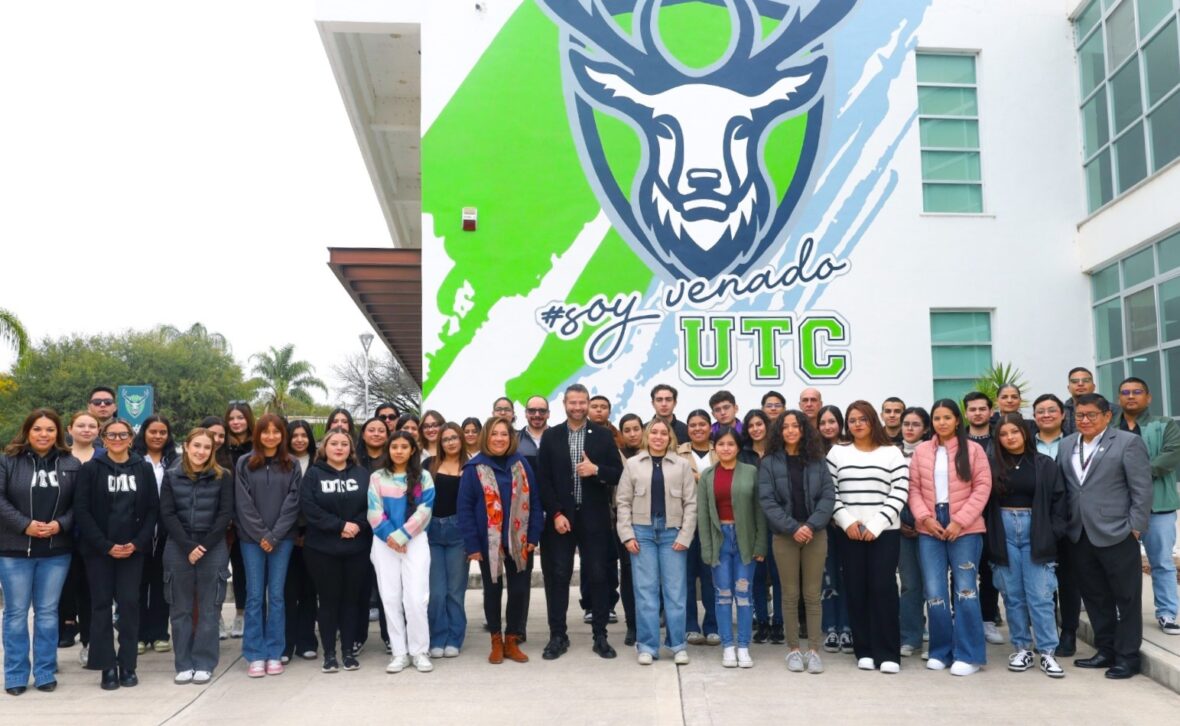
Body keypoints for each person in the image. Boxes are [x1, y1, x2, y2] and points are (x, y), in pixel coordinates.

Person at [1058, 393, 1151, 679]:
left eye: (1091, 415)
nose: (1084, 420)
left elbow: (1142, 489)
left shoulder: (1127, 442)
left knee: (1126, 598)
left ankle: (1127, 657)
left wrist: (1135, 527)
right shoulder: (1066, 445)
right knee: (1096, 598)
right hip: (1080, 534)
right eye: (1079, 416)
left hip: (1117, 533)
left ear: (1107, 416)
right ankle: (1106, 650)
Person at [536, 383, 624, 660]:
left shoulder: (602, 436)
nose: (577, 407)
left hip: (594, 518)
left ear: (587, 404)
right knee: (558, 576)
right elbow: (543, 479)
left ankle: (600, 634)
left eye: (582, 402)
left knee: (598, 575)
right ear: (564, 404)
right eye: (572, 402)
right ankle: (557, 636)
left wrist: (595, 469)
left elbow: (618, 474)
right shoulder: (551, 436)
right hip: (561, 519)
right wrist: (556, 513)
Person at [907, 399, 992, 677]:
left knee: (966, 590)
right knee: (934, 591)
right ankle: (940, 651)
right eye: (937, 418)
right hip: (930, 526)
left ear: (958, 420)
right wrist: (925, 518)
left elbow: (982, 488)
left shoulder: (974, 450)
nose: (941, 422)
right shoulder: (921, 451)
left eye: (947, 417)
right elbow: (914, 489)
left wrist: (960, 521)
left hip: (964, 527)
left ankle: (969, 655)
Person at [74, 418, 159, 690]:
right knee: (100, 607)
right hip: (99, 551)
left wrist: (137, 543)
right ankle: (106, 667)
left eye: (123, 434)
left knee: (129, 605)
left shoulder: (143, 469)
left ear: (131, 438)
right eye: (112, 434)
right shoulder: (90, 469)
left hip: (133, 551)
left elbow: (152, 511)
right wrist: (105, 545)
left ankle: (128, 665)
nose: (118, 439)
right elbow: (82, 512)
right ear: (104, 438)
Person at [0, 409, 80, 695]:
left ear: (58, 433)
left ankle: (45, 671)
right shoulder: (8, 461)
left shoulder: (70, 464)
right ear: (27, 431)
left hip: (56, 552)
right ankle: (15, 675)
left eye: (49, 429)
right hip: (15, 551)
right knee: (16, 614)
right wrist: (25, 526)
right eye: (38, 429)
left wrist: (60, 524)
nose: (44, 434)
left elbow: (79, 505)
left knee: (47, 614)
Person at [827, 401, 908, 674]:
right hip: (849, 531)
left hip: (885, 532)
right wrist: (848, 522)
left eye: (863, 418)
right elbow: (830, 492)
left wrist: (876, 524)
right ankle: (864, 650)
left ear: (873, 420)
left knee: (883, 589)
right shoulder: (837, 453)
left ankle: (888, 653)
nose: (857, 424)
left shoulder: (892, 453)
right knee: (856, 588)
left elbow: (900, 491)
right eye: (852, 420)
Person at [987, 413, 1068, 678]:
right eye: (1003, 433)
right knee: (1013, 596)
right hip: (1003, 529)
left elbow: (1059, 500)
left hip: (1037, 529)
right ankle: (1022, 648)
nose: (1009, 437)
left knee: (1041, 595)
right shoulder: (991, 464)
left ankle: (1047, 652)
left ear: (1025, 433)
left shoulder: (1044, 464)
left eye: (1014, 432)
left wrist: (1054, 531)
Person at [458, 418, 541, 664]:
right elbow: (464, 510)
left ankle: (512, 639)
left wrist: (534, 536)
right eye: (494, 434)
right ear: (486, 437)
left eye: (504, 434)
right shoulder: (474, 468)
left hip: (519, 542)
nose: (499, 439)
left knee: (518, 591)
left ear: (510, 437)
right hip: (488, 544)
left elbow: (535, 502)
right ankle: (495, 640)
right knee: (492, 592)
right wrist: (473, 546)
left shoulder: (521, 463)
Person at [759, 410, 835, 674]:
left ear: (804, 430)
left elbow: (828, 497)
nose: (790, 430)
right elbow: (767, 501)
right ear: (779, 431)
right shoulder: (768, 462)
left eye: (796, 426)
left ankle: (814, 650)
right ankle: (793, 649)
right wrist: (793, 527)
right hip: (785, 536)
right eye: (785, 426)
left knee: (813, 595)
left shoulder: (817, 459)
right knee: (790, 595)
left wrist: (811, 525)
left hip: (815, 534)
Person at [616, 419, 696, 666]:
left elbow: (691, 504)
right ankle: (648, 646)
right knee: (646, 593)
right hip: (643, 534)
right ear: (647, 436)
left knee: (675, 593)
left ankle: (677, 645)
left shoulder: (682, 465)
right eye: (654, 433)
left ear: (670, 437)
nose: (659, 437)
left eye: (664, 433)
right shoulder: (632, 464)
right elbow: (623, 502)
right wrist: (627, 535)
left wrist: (685, 535)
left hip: (672, 533)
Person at [158, 428, 234, 685]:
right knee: (180, 609)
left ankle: (204, 662)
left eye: (207, 447)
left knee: (210, 607)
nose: (201, 451)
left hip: (212, 545)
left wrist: (203, 545)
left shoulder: (223, 477)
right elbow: (167, 514)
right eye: (197, 446)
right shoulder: (171, 476)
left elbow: (225, 514)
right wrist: (188, 545)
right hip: (178, 546)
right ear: (186, 446)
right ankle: (184, 663)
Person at [234, 413, 302, 678]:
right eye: (265, 431)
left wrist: (274, 535)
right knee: (253, 597)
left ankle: (274, 651)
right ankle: (254, 654)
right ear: (257, 434)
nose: (271, 436)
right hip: (251, 540)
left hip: (282, 539)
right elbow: (243, 503)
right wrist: (262, 533)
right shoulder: (244, 463)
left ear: (282, 435)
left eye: (276, 431)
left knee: (276, 596)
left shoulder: (292, 464)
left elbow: (293, 502)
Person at [300, 428, 373, 674]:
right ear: (325, 448)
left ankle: (348, 653)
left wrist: (357, 526)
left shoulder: (362, 474)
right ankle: (329, 654)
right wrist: (339, 526)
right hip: (322, 549)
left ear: (350, 449)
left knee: (350, 601)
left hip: (357, 547)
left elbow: (373, 505)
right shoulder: (313, 475)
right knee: (329, 601)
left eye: (344, 444)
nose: (339, 448)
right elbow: (309, 508)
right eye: (334, 443)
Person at [1114, 378, 1180, 635]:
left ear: (1148, 397)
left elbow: (1171, 455)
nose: (1131, 396)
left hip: (1158, 506)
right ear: (1119, 398)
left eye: (1137, 392)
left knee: (1161, 561)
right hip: (1119, 507)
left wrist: (1132, 474)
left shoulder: (1165, 424)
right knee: (1120, 563)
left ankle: (1167, 613)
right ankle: (1122, 609)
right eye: (1125, 392)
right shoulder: (1111, 426)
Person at [368, 431, 435, 674]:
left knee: (416, 599)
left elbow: (425, 511)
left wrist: (403, 535)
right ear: (388, 450)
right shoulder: (377, 477)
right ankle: (399, 652)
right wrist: (391, 537)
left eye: (403, 447)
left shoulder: (423, 477)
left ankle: (419, 651)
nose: (398, 451)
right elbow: (374, 512)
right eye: (394, 446)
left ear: (412, 450)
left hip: (415, 542)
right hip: (384, 543)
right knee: (390, 598)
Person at [699, 426, 766, 668]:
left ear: (738, 447)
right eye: (721, 444)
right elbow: (704, 516)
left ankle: (744, 647)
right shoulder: (707, 475)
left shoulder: (750, 472)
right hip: (720, 540)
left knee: (744, 595)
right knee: (723, 595)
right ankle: (728, 646)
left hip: (745, 539)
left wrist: (760, 544)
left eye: (730, 444)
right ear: (714, 447)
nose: (725, 448)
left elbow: (760, 510)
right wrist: (707, 548)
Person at [131, 415, 177, 655]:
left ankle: (159, 633)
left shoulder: (176, 460)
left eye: (162, 432)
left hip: (168, 532)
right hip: (138, 531)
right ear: (144, 433)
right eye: (153, 431)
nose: (158, 436)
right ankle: (138, 634)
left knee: (162, 584)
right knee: (137, 585)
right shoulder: (133, 459)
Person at [962, 391, 1003, 644]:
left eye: (982, 408)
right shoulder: (957, 441)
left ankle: (988, 619)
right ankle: (964, 618)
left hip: (994, 514)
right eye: (972, 409)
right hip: (963, 515)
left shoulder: (1001, 438)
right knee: (963, 570)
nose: (977, 413)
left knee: (989, 570)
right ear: (965, 413)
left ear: (990, 411)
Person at [425, 423, 469, 659]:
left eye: (454, 438)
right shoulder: (429, 465)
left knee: (455, 591)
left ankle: (454, 637)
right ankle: (437, 636)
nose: (450, 442)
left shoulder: (471, 466)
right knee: (436, 592)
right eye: (445, 439)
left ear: (461, 440)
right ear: (440, 442)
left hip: (458, 532)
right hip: (431, 531)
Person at [678, 409, 719, 646]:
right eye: (692, 425)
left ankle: (712, 625)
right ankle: (690, 625)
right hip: (686, 523)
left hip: (714, 524)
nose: (697, 429)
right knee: (686, 577)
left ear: (709, 427)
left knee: (711, 577)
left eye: (702, 424)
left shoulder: (720, 449)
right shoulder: (677, 453)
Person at [59, 412, 99, 656]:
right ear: (70, 429)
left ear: (98, 430)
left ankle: (88, 642)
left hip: (94, 537)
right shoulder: (59, 458)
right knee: (63, 590)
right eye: (81, 425)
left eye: (92, 426)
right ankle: (62, 632)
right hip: (62, 534)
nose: (86, 429)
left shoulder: (104, 457)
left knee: (89, 592)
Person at [741, 409, 782, 646]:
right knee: (756, 575)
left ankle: (778, 623)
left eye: (760, 424)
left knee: (778, 575)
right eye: (751, 425)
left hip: (777, 521)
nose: (756, 428)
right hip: (751, 522)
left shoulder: (779, 451)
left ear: (767, 425)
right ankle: (762, 621)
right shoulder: (742, 454)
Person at [815, 404, 851, 654]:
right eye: (823, 422)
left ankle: (848, 627)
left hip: (849, 523)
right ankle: (830, 628)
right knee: (827, 577)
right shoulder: (813, 451)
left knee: (848, 575)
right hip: (823, 524)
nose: (828, 426)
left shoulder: (852, 448)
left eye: (832, 421)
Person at [897, 407, 931, 658]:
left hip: (930, 525)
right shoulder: (892, 453)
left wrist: (925, 520)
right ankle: (911, 637)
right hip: (900, 525)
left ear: (925, 428)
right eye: (906, 423)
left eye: (915, 424)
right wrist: (898, 520)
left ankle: (940, 637)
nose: (909, 428)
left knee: (935, 586)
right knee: (909, 584)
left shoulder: (933, 452)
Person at [283, 420, 318, 663]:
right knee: (286, 592)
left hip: (314, 535)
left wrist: (308, 533)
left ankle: (307, 641)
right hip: (285, 535)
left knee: (309, 590)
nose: (299, 440)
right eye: (294, 435)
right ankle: (286, 643)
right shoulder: (281, 463)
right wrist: (291, 533)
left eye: (303, 435)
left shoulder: (319, 462)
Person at [224, 401, 256, 640]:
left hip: (248, 518)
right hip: (223, 519)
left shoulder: (256, 447)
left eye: (240, 418)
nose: (236, 422)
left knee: (243, 568)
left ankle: (241, 614)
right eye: (232, 418)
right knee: (218, 569)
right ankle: (215, 619)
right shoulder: (220, 447)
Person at [1062, 367, 1120, 436]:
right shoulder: (1061, 411)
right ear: (1069, 388)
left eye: (1086, 381)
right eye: (1075, 381)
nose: (1080, 384)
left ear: (1094, 387)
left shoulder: (1113, 409)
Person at [518, 395, 550, 473]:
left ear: (548, 414)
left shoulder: (559, 438)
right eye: (532, 411)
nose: (537, 415)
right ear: (526, 413)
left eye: (542, 411)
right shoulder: (514, 439)